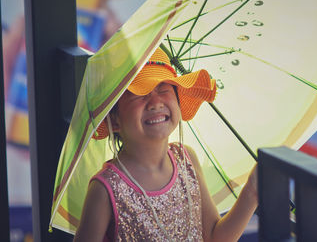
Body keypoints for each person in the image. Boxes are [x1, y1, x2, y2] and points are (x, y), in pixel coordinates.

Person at [73, 47, 258, 241]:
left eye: (164, 89)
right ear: (114, 118)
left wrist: (251, 192)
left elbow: (213, 237)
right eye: (139, 93)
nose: (155, 102)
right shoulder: (105, 189)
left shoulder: (187, 160)